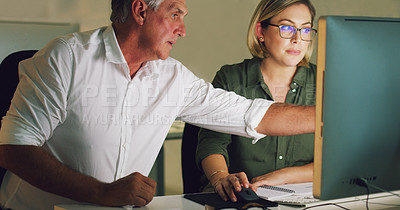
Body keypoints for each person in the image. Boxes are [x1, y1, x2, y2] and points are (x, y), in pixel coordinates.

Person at [0, 0, 314, 209]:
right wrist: (101, 192)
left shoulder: (172, 76)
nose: (183, 30)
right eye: (175, 14)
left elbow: (251, 114)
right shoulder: (66, 56)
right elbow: (13, 147)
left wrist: (333, 117)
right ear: (140, 11)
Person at [196, 0, 317, 202]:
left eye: (305, 30)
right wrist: (221, 177)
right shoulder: (231, 78)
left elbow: (337, 160)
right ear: (260, 30)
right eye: (287, 28)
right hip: (242, 198)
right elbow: (212, 143)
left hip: (305, 198)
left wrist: (283, 176)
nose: (297, 39)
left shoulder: (326, 81)